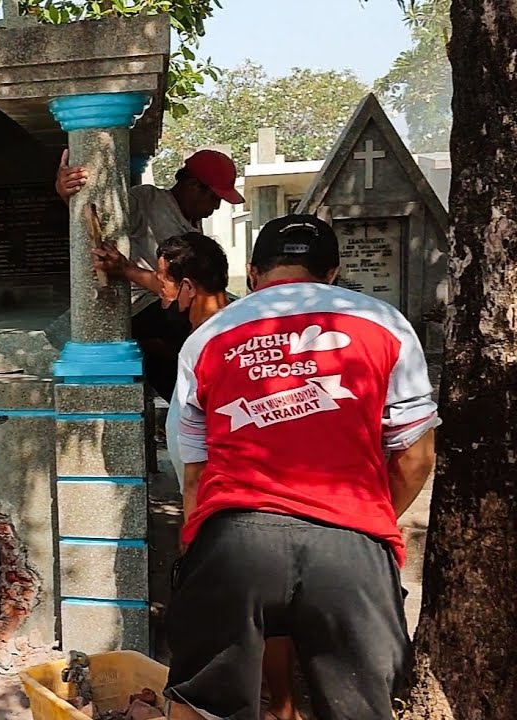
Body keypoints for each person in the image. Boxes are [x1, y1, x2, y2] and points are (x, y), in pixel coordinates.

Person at [165, 215, 439, 720]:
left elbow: (194, 474)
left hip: (233, 543)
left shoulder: (209, 337)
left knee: (201, 707)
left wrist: (196, 546)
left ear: (252, 272)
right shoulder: (387, 324)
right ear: (332, 272)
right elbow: (416, 456)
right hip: (351, 543)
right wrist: (368, 521)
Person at [143, 233, 301, 720]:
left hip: (228, 507)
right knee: (272, 619)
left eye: (163, 282)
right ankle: (284, 706)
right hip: (274, 499)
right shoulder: (250, 329)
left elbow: (197, 463)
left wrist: (192, 534)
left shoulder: (208, 342)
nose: (160, 293)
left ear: (187, 288)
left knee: (213, 636)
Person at [59, 149, 244, 399]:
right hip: (142, 308)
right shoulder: (147, 201)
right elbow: (100, 213)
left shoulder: (194, 225)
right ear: (193, 186)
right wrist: (69, 193)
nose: (216, 206)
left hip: (170, 312)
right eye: (214, 197)